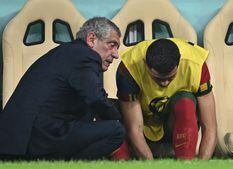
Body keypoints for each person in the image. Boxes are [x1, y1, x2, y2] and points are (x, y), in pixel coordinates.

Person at [0, 17, 125, 160]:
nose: (116, 54)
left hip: (18, 140)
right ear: (91, 39)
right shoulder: (84, 55)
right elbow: (96, 97)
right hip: (35, 139)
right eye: (112, 45)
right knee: (116, 131)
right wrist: (120, 120)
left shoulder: (68, 52)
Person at [115, 38, 217, 160]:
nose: (164, 83)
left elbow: (210, 127)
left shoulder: (196, 64)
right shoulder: (129, 68)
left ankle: (186, 164)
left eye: (170, 77)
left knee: (186, 102)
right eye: (158, 78)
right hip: (144, 124)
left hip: (174, 124)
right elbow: (134, 129)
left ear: (180, 60)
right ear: (145, 63)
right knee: (107, 110)